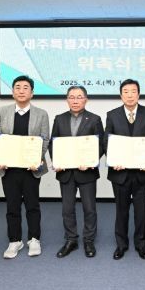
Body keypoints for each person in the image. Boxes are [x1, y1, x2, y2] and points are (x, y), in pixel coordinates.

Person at [0, 75, 50, 259]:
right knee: (12, 206)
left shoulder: (41, 114)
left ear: (32, 93)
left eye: (25, 88)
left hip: (31, 169)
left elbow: (45, 139)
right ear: (12, 92)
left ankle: (34, 239)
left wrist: (36, 159)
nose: (21, 91)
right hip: (8, 169)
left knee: (33, 205)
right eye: (17, 87)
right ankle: (14, 240)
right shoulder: (2, 111)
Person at [105, 79, 145, 260]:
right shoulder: (112, 115)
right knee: (121, 210)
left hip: (142, 172)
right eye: (126, 92)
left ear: (138, 94)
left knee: (141, 211)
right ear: (121, 95)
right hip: (120, 172)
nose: (129, 95)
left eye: (133, 91)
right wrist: (113, 160)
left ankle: (141, 244)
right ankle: (121, 244)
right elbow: (107, 141)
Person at [49, 86, 104, 258]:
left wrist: (90, 162)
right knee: (67, 209)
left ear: (86, 99)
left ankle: (89, 240)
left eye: (79, 97)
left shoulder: (94, 119)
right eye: (71, 97)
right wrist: (57, 161)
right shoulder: (59, 119)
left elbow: (101, 145)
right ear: (67, 100)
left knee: (89, 208)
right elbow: (53, 143)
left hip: (86, 172)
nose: (75, 100)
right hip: (66, 172)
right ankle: (71, 239)